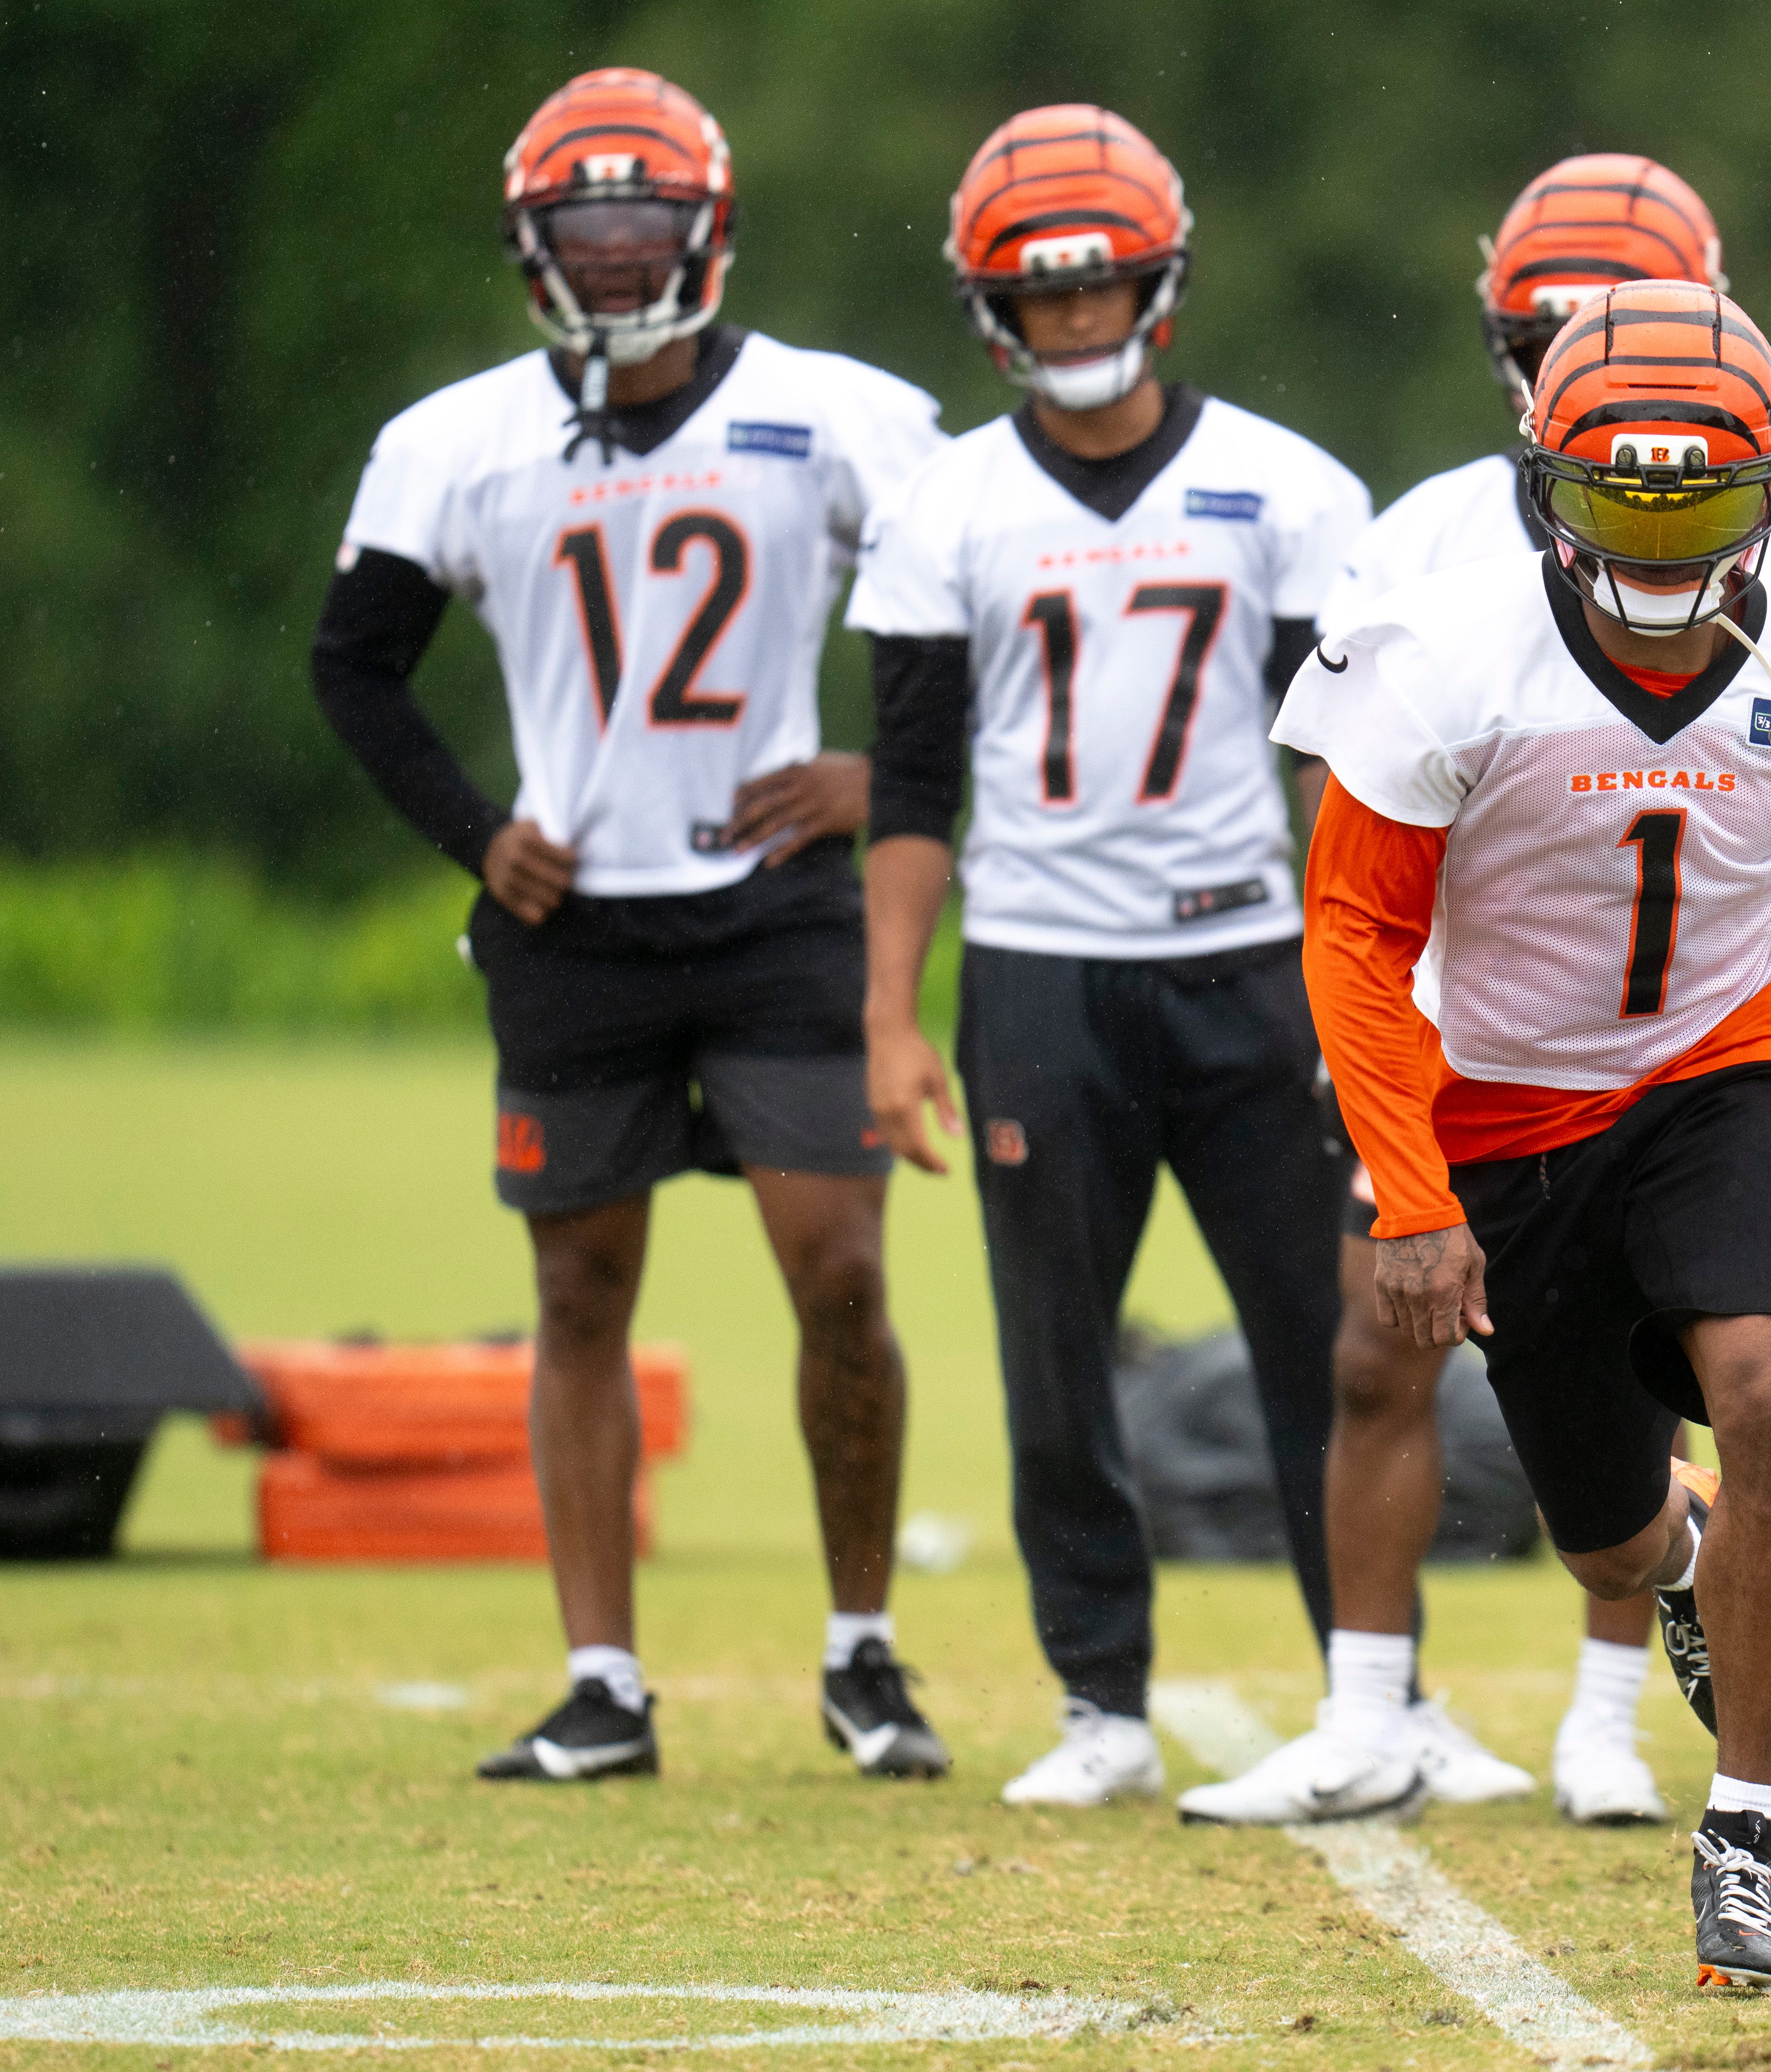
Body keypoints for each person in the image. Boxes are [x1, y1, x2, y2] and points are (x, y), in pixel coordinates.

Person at [1279, 281, 1771, 1991]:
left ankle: (1745, 1834)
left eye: (1698, 510)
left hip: (1724, 1069)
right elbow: (1355, 938)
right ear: (1547, 488)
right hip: (1504, 1111)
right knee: (1609, 1541)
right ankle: (1684, 1557)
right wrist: (1412, 1191)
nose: (1660, 545)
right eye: (1623, 506)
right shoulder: (1446, 649)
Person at [311, 68, 950, 1782]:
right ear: (535, 246)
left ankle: (864, 1651)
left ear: (706, 234)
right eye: (580, 231)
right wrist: (477, 836)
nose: (610, 258)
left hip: (775, 910)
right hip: (577, 920)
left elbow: (968, 612)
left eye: (638, 226)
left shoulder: (839, 415)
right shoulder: (454, 440)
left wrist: (878, 779)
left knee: (842, 1274)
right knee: (577, 1288)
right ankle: (603, 1682)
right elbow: (352, 665)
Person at [1183, 153, 1771, 1829]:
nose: (1570, 358)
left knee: (1637, 1365)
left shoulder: (1758, 522)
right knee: (1379, 1352)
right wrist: (1371, 1009)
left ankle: (1606, 1723)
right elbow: (1353, 783)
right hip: (1453, 1014)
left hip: (1662, 1024)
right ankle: (1369, 1709)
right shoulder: (1430, 533)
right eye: (1542, 333)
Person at [847, 105, 1371, 1811]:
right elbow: (912, 784)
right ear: (992, 308)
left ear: (1159, 285)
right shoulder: (948, 503)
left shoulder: (1289, 488)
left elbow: (1345, 773)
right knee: (1055, 1354)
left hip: (1252, 962)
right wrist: (889, 1015)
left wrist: (1366, 984)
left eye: (1099, 287)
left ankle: (1375, 1690)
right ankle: (1101, 1701)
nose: (1075, 318)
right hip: (1041, 972)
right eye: (1041, 294)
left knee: (1325, 1339)